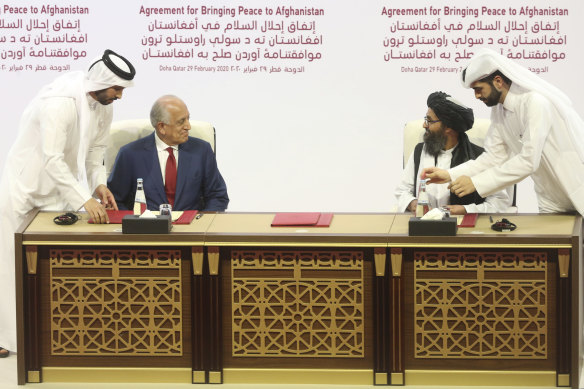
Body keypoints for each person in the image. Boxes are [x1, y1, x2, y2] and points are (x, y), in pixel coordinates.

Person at [0, 49, 136, 357]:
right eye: (117, 89)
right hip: (26, 187)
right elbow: (52, 159)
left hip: (62, 191)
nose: (119, 96)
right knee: (11, 264)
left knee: (54, 263)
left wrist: (98, 184)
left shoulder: (103, 103)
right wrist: (84, 199)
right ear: (102, 82)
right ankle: (7, 339)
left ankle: (52, 336)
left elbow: (95, 151)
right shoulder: (60, 102)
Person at [423, 48, 584, 214]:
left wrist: (477, 183)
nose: (476, 96)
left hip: (577, 192)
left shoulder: (535, 103)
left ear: (498, 81)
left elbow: (529, 160)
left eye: (479, 89)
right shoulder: (499, 112)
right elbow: (493, 157)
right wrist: (449, 174)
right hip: (550, 201)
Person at [107, 95, 229, 212]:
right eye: (181, 122)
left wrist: (202, 222)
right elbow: (116, 201)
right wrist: (134, 223)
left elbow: (218, 196)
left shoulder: (202, 151)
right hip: (147, 230)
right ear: (162, 127)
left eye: (188, 119)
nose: (188, 126)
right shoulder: (129, 155)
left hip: (191, 229)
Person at [395, 91, 510, 215]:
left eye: (429, 121)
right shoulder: (419, 151)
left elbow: (499, 201)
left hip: (464, 229)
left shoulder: (481, 158)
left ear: (448, 127)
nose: (424, 125)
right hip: (423, 225)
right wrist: (414, 204)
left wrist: (466, 210)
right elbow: (402, 191)